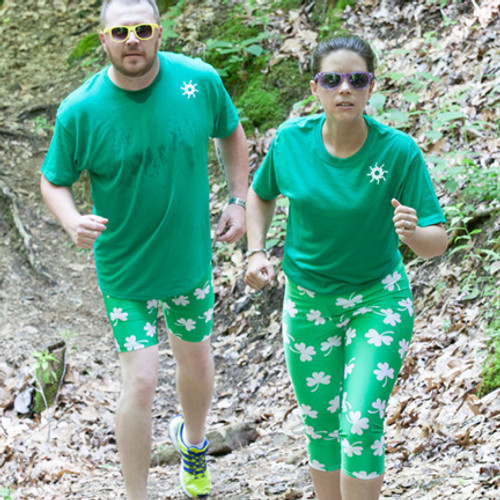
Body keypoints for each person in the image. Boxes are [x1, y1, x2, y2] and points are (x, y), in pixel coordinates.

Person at [40, 0, 248, 498]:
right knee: (142, 381)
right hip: (124, 270)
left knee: (195, 362)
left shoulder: (197, 81)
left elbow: (232, 136)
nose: (131, 39)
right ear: (104, 38)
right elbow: (53, 182)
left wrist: (238, 199)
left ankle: (193, 447)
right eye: (120, 31)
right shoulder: (80, 110)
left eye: (141, 29)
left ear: (159, 32)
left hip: (188, 261)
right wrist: (72, 220)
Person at [245, 34, 447, 500]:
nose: (345, 90)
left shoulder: (397, 151)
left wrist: (412, 233)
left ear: (371, 87)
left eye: (357, 79)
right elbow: (260, 194)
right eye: (332, 79)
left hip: (378, 300)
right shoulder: (291, 143)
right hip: (308, 302)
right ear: (315, 88)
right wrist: (257, 251)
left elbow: (436, 243)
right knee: (321, 428)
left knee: (359, 421)